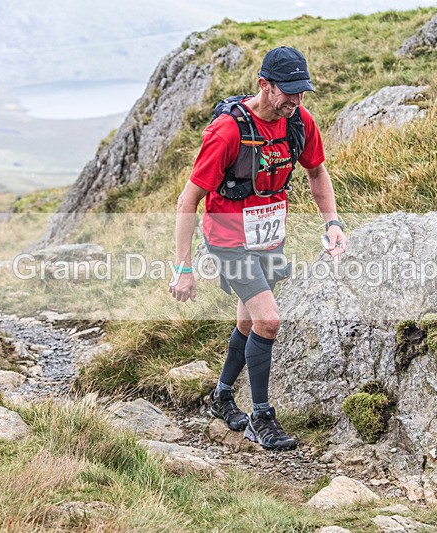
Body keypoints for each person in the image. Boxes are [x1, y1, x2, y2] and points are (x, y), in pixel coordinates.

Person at [170, 46, 347, 451]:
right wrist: (183, 268)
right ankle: (261, 418)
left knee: (249, 323)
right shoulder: (227, 132)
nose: (296, 100)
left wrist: (333, 223)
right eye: (288, 91)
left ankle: (221, 396)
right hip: (229, 241)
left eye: (301, 91)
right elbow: (187, 201)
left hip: (268, 237)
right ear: (264, 84)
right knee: (269, 321)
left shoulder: (299, 121)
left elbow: (317, 172)